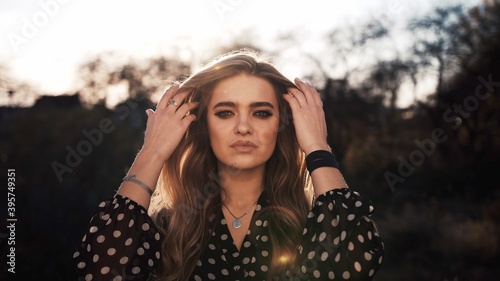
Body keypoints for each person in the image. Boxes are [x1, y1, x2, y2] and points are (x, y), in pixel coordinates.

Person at [73, 49, 384, 281]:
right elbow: (100, 272)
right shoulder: (166, 227)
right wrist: (152, 152)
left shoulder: (311, 225)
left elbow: (354, 265)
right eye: (225, 113)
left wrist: (317, 147)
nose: (244, 127)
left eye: (261, 112)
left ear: (282, 124)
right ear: (204, 125)